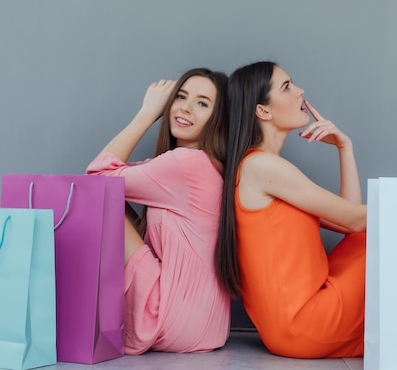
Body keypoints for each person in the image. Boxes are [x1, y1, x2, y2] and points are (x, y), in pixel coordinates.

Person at [215, 61, 367, 358]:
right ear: (263, 111)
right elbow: (357, 219)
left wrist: (344, 148)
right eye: (287, 87)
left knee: (367, 238)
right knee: (387, 237)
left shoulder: (258, 168)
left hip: (288, 330)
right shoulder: (262, 166)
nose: (300, 92)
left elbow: (350, 222)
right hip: (305, 323)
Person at [87, 68, 230, 354]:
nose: (185, 108)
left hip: (169, 319)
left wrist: (146, 114)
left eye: (202, 103)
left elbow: (95, 179)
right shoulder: (206, 164)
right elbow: (108, 174)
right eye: (180, 97)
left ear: (218, 119)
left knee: (100, 200)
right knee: (113, 198)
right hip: (209, 327)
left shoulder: (184, 163)